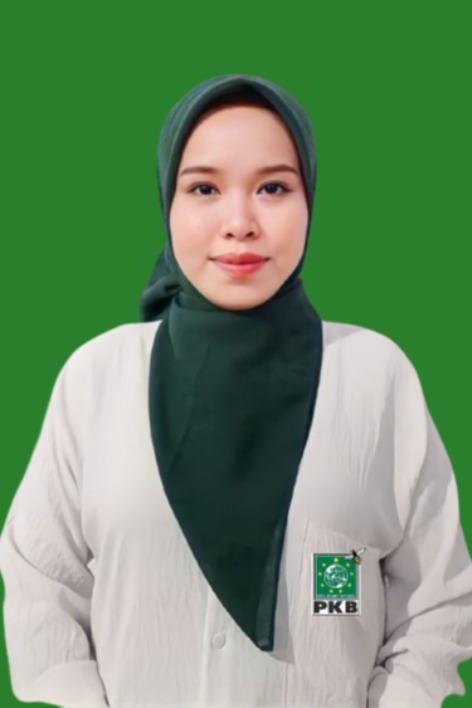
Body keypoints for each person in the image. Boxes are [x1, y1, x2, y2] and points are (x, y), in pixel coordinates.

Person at [0, 73, 471, 708]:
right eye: (204, 188)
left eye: (273, 187)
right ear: (167, 202)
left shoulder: (375, 374)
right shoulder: (98, 376)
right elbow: (40, 582)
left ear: (310, 200)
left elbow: (437, 602)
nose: (240, 223)